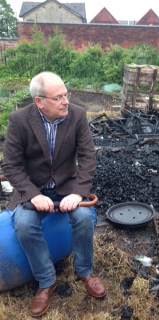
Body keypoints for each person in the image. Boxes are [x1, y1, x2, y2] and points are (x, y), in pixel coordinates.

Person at [2, 71, 106, 317]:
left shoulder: (78, 115)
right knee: (25, 225)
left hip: (67, 185)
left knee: (82, 218)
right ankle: (46, 281)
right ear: (39, 102)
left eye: (65, 94)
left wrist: (79, 192)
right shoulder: (19, 120)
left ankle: (84, 270)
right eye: (58, 97)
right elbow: (11, 166)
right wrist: (32, 194)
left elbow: (88, 157)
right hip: (33, 188)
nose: (66, 101)